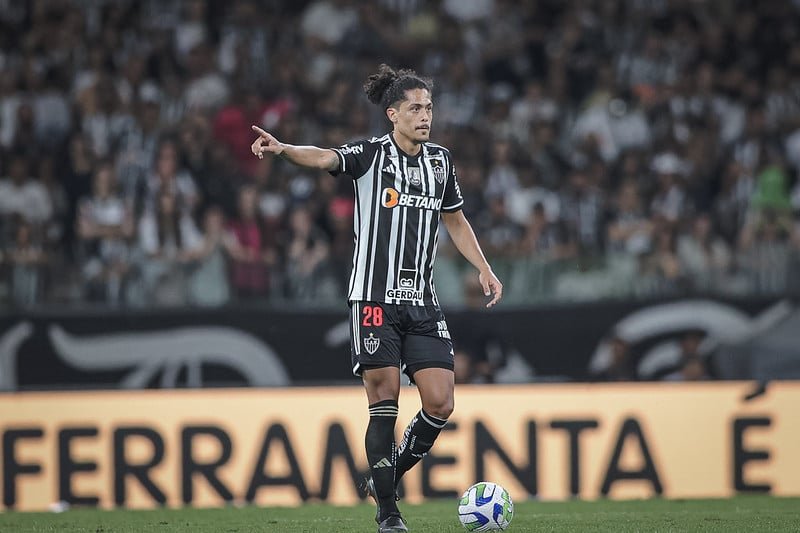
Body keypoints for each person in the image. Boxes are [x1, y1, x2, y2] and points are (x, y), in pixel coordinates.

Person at [250, 64, 503, 533]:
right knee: (384, 399)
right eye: (415, 109)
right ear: (393, 114)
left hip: (422, 302)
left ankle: (387, 473)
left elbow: (455, 220)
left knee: (442, 403)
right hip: (373, 301)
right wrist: (284, 150)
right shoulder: (370, 155)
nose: (425, 116)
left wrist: (483, 267)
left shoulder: (441, 162)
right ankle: (389, 513)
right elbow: (324, 157)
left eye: (428, 108)